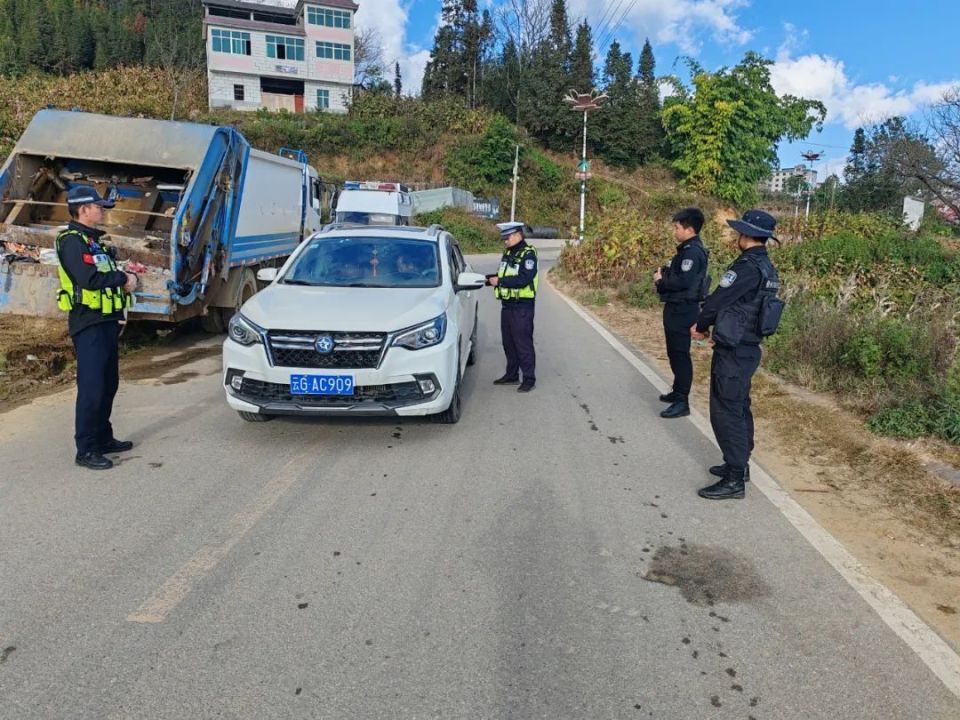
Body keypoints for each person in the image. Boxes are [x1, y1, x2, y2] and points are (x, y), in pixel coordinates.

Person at [691, 210, 781, 500]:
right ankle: (740, 466)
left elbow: (719, 299)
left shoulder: (746, 266)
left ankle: (734, 479)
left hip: (734, 349)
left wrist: (702, 325)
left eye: (739, 232)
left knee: (725, 411)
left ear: (745, 234)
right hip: (748, 347)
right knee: (740, 406)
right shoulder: (767, 267)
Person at [55, 186, 139, 470]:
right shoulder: (71, 242)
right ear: (83, 209)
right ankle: (86, 449)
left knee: (108, 384)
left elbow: (102, 276)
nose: (102, 211)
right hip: (87, 323)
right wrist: (123, 278)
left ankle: (103, 438)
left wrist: (120, 308)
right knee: (92, 388)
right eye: (98, 206)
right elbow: (89, 279)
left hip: (105, 320)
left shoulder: (94, 242)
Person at [654, 207, 709, 419]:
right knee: (674, 353)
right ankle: (677, 392)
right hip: (676, 307)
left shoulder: (692, 252)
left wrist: (661, 281)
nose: (674, 231)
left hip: (684, 309)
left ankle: (682, 401)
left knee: (680, 356)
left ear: (689, 229)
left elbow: (682, 281)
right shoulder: (686, 250)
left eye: (677, 227)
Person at [487, 221, 538, 392]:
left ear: (517, 235)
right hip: (507, 306)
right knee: (509, 343)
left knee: (523, 344)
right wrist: (489, 280)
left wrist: (500, 281)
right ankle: (512, 375)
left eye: (507, 238)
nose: (505, 241)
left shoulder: (528, 255)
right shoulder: (509, 253)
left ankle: (529, 379)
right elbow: (505, 274)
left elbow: (524, 279)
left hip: (522, 307)